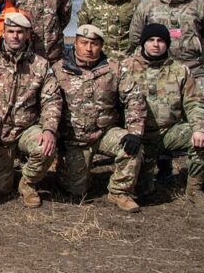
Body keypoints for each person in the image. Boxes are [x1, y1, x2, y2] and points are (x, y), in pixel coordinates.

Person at [128, 0, 204, 196]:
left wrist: (194, 54)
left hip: (193, 70)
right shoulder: (148, 6)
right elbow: (135, 37)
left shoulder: (201, 6)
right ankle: (163, 168)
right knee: (159, 117)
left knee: (203, 118)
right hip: (158, 73)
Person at [125, 24, 204, 213]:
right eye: (151, 40)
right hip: (138, 137)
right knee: (142, 192)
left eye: (160, 41)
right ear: (143, 43)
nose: (156, 45)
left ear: (167, 44)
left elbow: (195, 103)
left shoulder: (180, 71)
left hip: (169, 133)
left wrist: (200, 128)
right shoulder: (126, 67)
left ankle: (194, 191)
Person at [52, 25, 146, 213]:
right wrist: (55, 136)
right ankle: (68, 168)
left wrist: (135, 132)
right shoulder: (59, 69)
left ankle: (119, 191)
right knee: (75, 192)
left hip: (105, 132)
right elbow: (48, 104)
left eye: (94, 44)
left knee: (132, 148)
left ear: (101, 45)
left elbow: (134, 98)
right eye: (84, 43)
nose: (88, 48)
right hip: (73, 139)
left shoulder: (115, 69)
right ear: (75, 44)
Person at [0, 12, 62, 208]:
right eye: (11, 31)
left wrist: (49, 129)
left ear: (29, 34)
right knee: (0, 189)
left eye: (20, 32)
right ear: (3, 33)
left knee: (45, 147)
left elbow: (52, 100)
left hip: (26, 129)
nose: (15, 36)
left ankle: (28, 183)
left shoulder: (40, 65)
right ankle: (3, 166)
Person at [76, 0, 140, 62]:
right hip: (98, 58)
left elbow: (139, 33)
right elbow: (82, 32)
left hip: (125, 58)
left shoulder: (134, 3)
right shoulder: (90, 1)